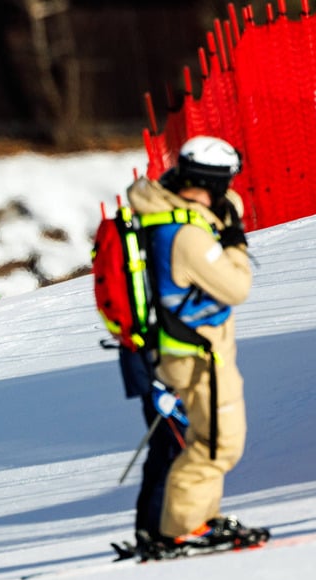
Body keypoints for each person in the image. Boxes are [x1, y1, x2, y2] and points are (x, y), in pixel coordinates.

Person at [126, 135, 267, 556]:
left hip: (189, 352)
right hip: (196, 356)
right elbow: (237, 286)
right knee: (217, 445)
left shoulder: (167, 215)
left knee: (210, 440)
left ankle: (198, 520)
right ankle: (181, 529)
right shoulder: (186, 234)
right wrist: (236, 242)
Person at [117, 346, 188, 548]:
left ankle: (149, 529)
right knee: (176, 451)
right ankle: (160, 530)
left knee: (164, 451)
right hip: (157, 374)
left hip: (152, 371)